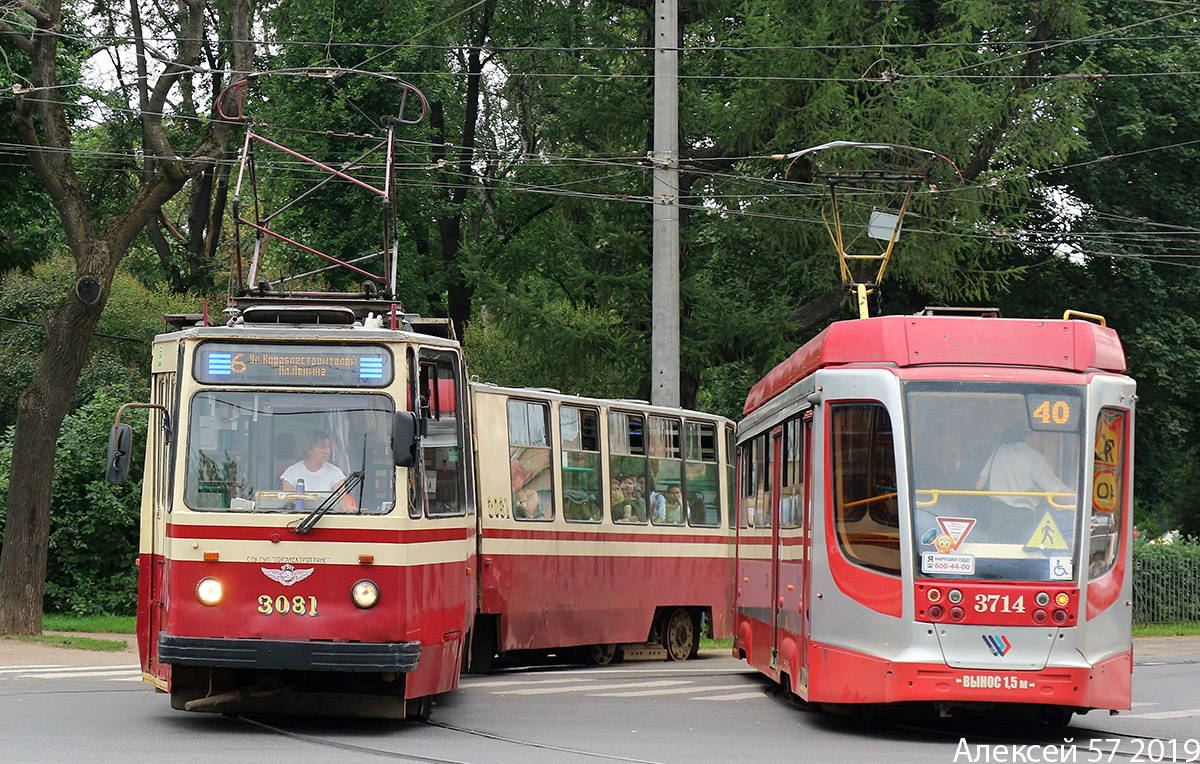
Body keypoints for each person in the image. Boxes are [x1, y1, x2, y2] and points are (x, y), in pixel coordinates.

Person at [976, 424, 1071, 540]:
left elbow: (979, 485)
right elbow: (1059, 493)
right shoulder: (1036, 459)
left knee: (996, 552)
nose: (1043, 440)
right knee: (1020, 555)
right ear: (1028, 437)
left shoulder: (999, 451)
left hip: (996, 515)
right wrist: (1080, 498)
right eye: (1040, 436)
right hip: (1022, 518)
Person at [280, 430, 352, 509]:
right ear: (309, 450)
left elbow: (343, 500)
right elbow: (288, 505)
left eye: (328, 447)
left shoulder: (335, 472)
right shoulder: (291, 473)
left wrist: (347, 507)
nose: (327, 451)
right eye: (322, 447)